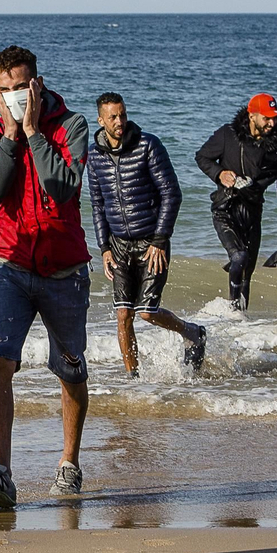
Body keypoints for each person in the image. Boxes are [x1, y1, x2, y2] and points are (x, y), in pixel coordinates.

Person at [0, 46, 91, 505]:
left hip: (65, 269)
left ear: (37, 84)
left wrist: (35, 132)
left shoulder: (72, 125)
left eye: (22, 87)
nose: (15, 95)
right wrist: (11, 137)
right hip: (10, 264)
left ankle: (69, 463)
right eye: (6, 89)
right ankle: (2, 471)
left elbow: (61, 188)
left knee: (71, 369)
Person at [86, 93, 207, 376]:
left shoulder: (147, 145)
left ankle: (192, 333)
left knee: (147, 312)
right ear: (100, 120)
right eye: (113, 117)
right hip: (117, 245)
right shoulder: (94, 155)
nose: (120, 121)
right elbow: (97, 204)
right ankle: (133, 379)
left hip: (151, 241)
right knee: (123, 314)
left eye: (123, 115)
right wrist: (104, 247)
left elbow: (171, 193)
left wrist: (160, 240)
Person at [196, 94, 277, 310]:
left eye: (275, 118)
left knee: (247, 273)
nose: (272, 123)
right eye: (267, 118)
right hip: (225, 209)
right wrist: (219, 173)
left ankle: (241, 320)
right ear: (252, 116)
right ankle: (232, 309)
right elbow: (202, 157)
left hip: (253, 212)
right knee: (239, 256)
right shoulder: (228, 135)